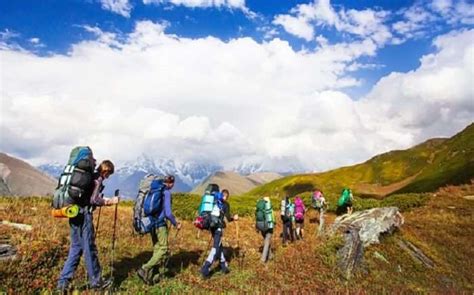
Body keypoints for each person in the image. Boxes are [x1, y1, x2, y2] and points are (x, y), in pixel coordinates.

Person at [57, 160, 119, 292]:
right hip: (84, 215)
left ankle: (62, 284)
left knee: (76, 248)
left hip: (73, 212)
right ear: (106, 170)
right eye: (109, 174)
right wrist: (110, 201)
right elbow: (94, 200)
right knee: (89, 249)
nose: (108, 177)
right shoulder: (97, 179)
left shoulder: (89, 177)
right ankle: (97, 282)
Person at [137, 175, 181, 285]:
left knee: (157, 249)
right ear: (171, 183)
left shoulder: (154, 189)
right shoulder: (166, 192)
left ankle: (152, 278)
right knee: (164, 248)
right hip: (160, 224)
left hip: (152, 223)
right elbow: (168, 213)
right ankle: (144, 268)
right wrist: (175, 223)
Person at [200, 188, 238, 278]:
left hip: (211, 226)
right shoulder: (225, 204)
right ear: (226, 196)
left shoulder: (215, 201)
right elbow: (228, 218)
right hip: (218, 228)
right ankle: (205, 268)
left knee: (219, 246)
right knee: (216, 248)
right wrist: (234, 218)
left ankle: (223, 266)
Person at [256, 196, 274, 263]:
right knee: (267, 241)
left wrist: (257, 228)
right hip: (267, 226)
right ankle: (263, 259)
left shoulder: (259, 206)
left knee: (267, 240)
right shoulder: (268, 206)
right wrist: (273, 225)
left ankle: (270, 255)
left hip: (260, 225)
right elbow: (272, 217)